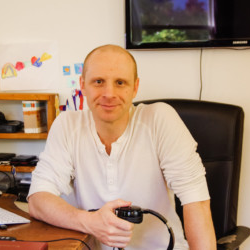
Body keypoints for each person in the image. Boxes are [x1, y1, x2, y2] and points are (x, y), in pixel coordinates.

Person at [27, 44, 216, 249]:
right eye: (98, 81)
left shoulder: (161, 120)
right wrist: (90, 222)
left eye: (120, 82)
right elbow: (38, 199)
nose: (109, 93)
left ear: (135, 87)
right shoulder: (67, 125)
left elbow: (197, 202)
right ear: (82, 85)